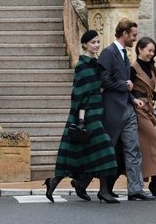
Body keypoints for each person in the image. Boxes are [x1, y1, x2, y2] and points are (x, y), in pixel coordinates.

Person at [43, 30, 119, 204]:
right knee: (106, 152)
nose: (96, 45)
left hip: (97, 113)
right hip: (87, 116)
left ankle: (55, 182)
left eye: (98, 41)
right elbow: (79, 95)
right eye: (93, 42)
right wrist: (82, 121)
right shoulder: (82, 66)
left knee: (80, 155)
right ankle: (104, 191)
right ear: (84, 45)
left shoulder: (95, 64)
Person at [97, 19, 156, 201]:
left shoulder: (124, 54)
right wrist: (124, 85)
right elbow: (103, 80)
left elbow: (127, 86)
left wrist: (133, 99)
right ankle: (92, 186)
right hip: (113, 110)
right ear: (124, 34)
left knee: (133, 149)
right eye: (133, 35)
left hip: (128, 108)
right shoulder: (108, 53)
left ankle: (135, 189)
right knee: (109, 151)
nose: (135, 38)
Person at [130, 36, 156, 197]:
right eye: (149, 50)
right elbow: (128, 90)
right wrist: (135, 101)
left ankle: (154, 183)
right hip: (138, 111)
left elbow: (150, 92)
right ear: (140, 49)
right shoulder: (133, 68)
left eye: (153, 51)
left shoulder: (150, 67)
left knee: (147, 148)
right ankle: (155, 183)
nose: (152, 54)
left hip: (148, 110)